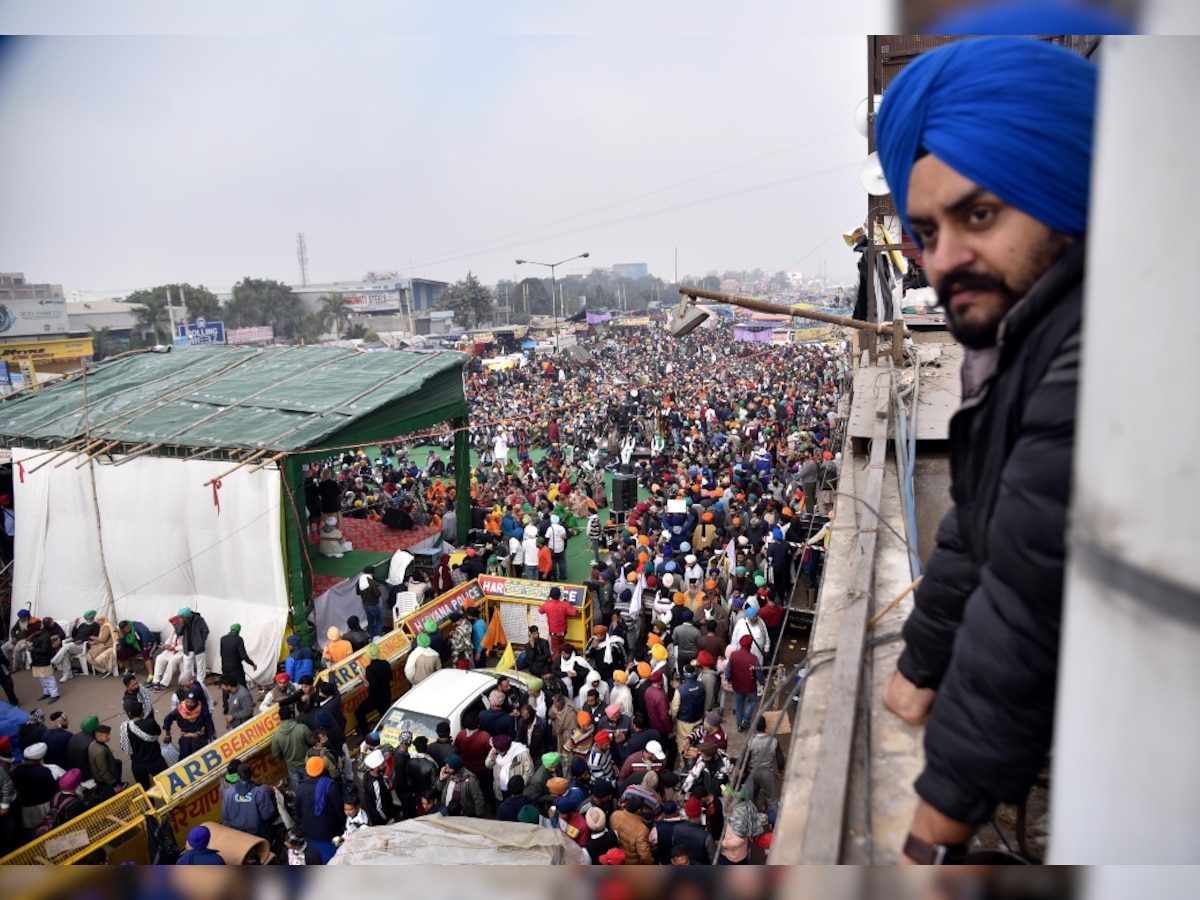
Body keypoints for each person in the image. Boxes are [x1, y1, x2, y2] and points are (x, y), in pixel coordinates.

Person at [874, 37, 1097, 864]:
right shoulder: (1016, 331)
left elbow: (1030, 593)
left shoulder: (1099, 341)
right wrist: (923, 660)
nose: (944, 262)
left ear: (1064, 192)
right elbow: (981, 515)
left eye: (979, 215)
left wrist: (933, 834)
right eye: (926, 231)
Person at [296, 755, 344, 863]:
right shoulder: (331, 786)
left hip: (311, 831)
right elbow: (340, 810)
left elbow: (298, 810)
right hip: (331, 830)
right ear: (323, 769)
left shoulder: (301, 788)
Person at [221, 763, 278, 840]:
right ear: (252, 774)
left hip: (238, 834)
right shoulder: (260, 791)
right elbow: (267, 814)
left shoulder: (228, 793)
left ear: (238, 776)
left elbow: (225, 815)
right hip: (259, 833)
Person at [271, 700, 315, 792]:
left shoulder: (276, 736)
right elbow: (313, 742)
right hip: (307, 764)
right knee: (313, 788)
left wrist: (285, 756)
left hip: (292, 767)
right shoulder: (302, 728)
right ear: (291, 715)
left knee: (299, 792)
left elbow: (276, 754)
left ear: (280, 718)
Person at [120, 705, 167, 789]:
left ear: (130, 713)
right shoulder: (150, 722)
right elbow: (158, 732)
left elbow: (124, 745)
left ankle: (149, 802)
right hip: (155, 760)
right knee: (166, 783)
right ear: (142, 712)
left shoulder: (125, 728)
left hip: (138, 764)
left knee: (145, 789)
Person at [163, 690, 216, 760]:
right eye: (187, 701)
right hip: (186, 740)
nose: (189, 704)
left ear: (197, 702)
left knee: (202, 759)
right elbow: (167, 719)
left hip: (200, 739)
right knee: (184, 760)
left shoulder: (203, 710)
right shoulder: (180, 710)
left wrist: (211, 738)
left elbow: (209, 724)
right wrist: (168, 735)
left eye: (192, 702)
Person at [357, 643, 394, 735]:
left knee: (359, 712)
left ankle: (366, 734)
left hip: (375, 699)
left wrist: (363, 679)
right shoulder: (385, 663)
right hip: (386, 695)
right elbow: (390, 677)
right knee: (386, 717)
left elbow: (373, 686)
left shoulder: (370, 668)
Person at [609, 793, 654, 865]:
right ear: (639, 810)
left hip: (616, 857)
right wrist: (651, 862)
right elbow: (644, 855)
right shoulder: (641, 829)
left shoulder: (615, 815)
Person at [539, 587, 579, 658]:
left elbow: (540, 611)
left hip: (553, 633)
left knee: (556, 651)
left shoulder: (547, 605)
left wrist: (547, 602)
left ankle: (556, 665)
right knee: (563, 647)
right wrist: (567, 603)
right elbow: (574, 613)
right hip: (563, 632)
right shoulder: (564, 605)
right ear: (559, 595)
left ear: (550, 596)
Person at [148, 616, 185, 690]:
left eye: (175, 625)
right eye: (173, 625)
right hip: (171, 650)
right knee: (160, 658)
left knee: (172, 662)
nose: (174, 627)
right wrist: (166, 645)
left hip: (181, 652)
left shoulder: (187, 631)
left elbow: (187, 646)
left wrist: (175, 648)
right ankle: (156, 680)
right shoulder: (174, 630)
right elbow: (170, 639)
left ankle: (164, 683)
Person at [87, 725, 123, 801]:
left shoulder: (93, 745)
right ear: (99, 736)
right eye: (106, 735)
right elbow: (103, 771)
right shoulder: (101, 751)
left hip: (101, 780)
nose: (109, 737)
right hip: (106, 782)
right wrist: (114, 784)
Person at [361, 748, 396, 826]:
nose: (385, 765)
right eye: (383, 764)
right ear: (376, 768)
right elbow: (379, 807)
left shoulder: (367, 775)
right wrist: (387, 819)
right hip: (382, 821)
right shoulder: (376, 784)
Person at [28, 622, 60, 704]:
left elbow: (45, 651)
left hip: (44, 661)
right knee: (41, 678)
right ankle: (47, 692)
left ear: (36, 631)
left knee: (48, 678)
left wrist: (32, 649)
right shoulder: (38, 636)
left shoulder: (45, 637)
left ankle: (54, 694)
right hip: (37, 661)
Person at [175, 607, 210, 683]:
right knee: (187, 666)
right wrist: (181, 625)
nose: (182, 619)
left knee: (200, 666)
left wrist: (201, 641)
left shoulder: (199, 620)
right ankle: (189, 681)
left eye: (183, 618)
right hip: (187, 647)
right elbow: (178, 633)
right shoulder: (181, 621)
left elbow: (205, 630)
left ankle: (200, 682)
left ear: (188, 616)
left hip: (198, 647)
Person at [356, 565, 384, 639]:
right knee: (379, 621)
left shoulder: (360, 581)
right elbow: (378, 594)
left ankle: (372, 636)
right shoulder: (372, 582)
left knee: (370, 621)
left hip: (365, 604)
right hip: (374, 604)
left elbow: (358, 592)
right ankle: (378, 637)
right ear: (372, 573)